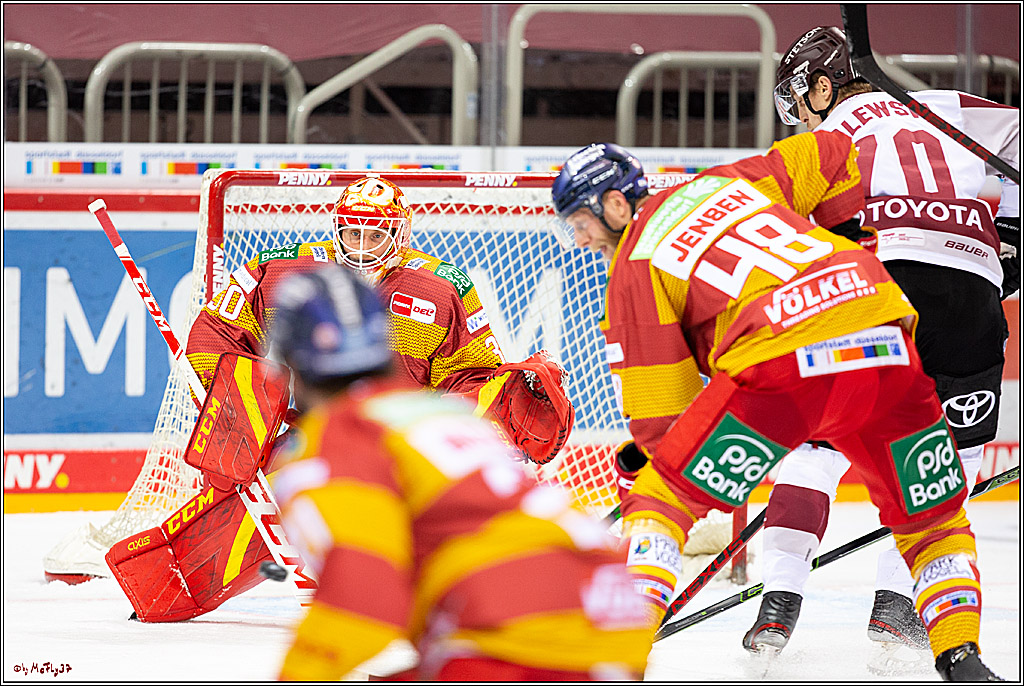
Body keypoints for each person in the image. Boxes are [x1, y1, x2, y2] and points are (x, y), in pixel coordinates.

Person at [550, 138, 1003, 681]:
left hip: (782, 367)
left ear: (616, 205)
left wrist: (650, 471)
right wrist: (844, 237)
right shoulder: (729, 179)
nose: (579, 239)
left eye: (580, 221)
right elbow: (834, 152)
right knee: (934, 517)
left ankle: (616, 663)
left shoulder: (633, 266)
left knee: (659, 502)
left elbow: (661, 418)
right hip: (883, 340)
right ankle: (962, 659)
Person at [744, 25, 1020, 673]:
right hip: (967, 297)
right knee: (942, 467)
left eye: (798, 100)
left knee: (813, 446)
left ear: (821, 86)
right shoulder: (947, 108)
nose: (796, 117)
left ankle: (779, 598)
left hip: (877, 289)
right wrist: (1007, 235)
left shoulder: (828, 138)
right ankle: (899, 608)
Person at [266, 264, 651, 681]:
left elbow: (364, 601)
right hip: (619, 616)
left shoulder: (336, 440)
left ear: (290, 357)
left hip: (520, 640)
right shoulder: (446, 411)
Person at [187, 175, 574, 466]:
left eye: (374, 237)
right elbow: (217, 332)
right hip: (301, 438)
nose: (360, 248)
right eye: (352, 234)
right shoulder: (283, 270)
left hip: (401, 446)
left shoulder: (443, 289)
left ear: (400, 235)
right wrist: (235, 410)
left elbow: (468, 377)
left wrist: (481, 425)